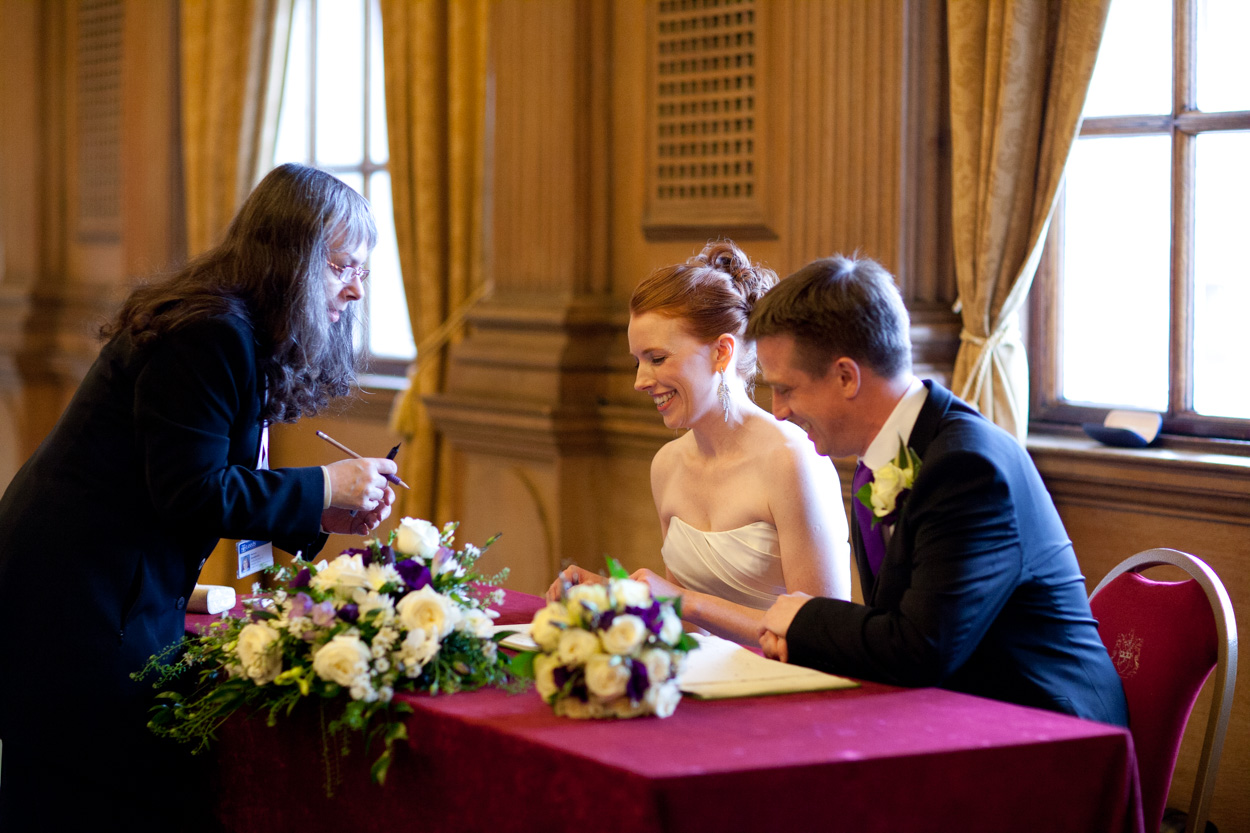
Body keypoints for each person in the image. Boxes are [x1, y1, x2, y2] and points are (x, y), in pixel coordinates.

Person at [0, 163, 399, 828]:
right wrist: (327, 481)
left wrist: (323, 509)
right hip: (74, 605)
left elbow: (198, 481)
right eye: (341, 265)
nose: (356, 288)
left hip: (100, 593)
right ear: (292, 258)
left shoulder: (229, 325)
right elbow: (192, 490)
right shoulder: (209, 332)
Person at [748, 254, 1128, 725]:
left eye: (786, 388)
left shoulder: (967, 467)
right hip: (957, 709)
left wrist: (805, 619)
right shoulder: (882, 458)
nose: (777, 410)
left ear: (847, 376)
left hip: (1048, 732)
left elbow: (921, 649)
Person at [547, 241, 850, 644]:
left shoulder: (793, 460)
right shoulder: (667, 465)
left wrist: (683, 600)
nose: (640, 381)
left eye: (657, 359)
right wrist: (614, 597)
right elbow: (683, 631)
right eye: (636, 361)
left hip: (785, 693)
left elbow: (825, 637)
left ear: (721, 352)